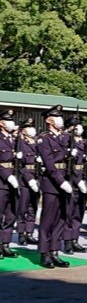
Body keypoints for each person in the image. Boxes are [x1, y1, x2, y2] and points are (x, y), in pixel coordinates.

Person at [37, 105, 70, 268]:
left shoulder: (66, 137)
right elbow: (49, 164)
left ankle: (55, 250)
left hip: (67, 181)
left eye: (60, 117)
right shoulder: (44, 138)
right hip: (52, 183)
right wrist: (61, 182)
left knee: (61, 218)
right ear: (49, 121)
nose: (60, 120)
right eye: (57, 117)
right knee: (48, 219)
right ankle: (44, 253)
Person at [63, 115, 87, 254]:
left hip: (84, 178)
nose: (79, 127)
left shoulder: (85, 143)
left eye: (80, 124)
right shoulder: (67, 140)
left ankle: (75, 239)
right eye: (76, 125)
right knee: (69, 211)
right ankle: (67, 241)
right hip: (72, 179)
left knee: (79, 211)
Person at [16, 118, 40, 246]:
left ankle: (30, 232)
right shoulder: (20, 144)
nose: (32, 130)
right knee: (23, 207)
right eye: (29, 128)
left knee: (33, 207)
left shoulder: (37, 144)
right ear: (23, 131)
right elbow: (20, 165)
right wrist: (29, 180)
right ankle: (21, 233)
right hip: (25, 179)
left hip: (37, 177)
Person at [0, 109, 19, 259]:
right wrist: (7, 176)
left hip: (15, 180)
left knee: (11, 214)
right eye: (8, 120)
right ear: (1, 123)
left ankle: (5, 244)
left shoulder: (15, 139)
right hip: (2, 182)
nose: (11, 123)